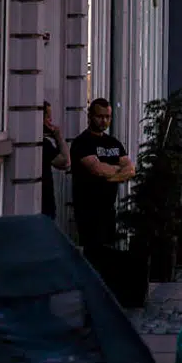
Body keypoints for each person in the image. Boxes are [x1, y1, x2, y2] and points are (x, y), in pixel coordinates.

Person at [70, 98, 136, 251]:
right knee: (92, 252)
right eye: (100, 117)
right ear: (90, 116)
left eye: (108, 117)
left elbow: (131, 169)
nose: (104, 121)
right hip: (88, 210)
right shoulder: (82, 142)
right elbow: (98, 169)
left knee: (108, 250)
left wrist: (110, 176)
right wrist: (118, 172)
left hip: (109, 209)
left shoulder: (114, 143)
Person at [40, 101, 71, 221]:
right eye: (47, 117)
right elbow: (66, 162)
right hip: (45, 208)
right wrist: (58, 136)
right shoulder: (44, 144)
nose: (51, 120)